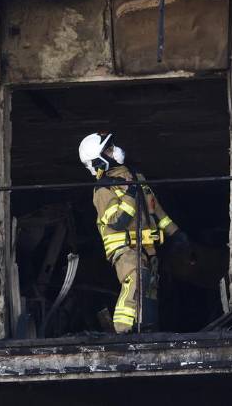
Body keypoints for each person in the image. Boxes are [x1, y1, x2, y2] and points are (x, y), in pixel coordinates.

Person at [78, 132, 189, 333]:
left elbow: (156, 210)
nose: (115, 151)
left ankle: (147, 329)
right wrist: (130, 194)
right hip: (123, 247)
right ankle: (122, 331)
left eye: (113, 146)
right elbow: (118, 221)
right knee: (136, 278)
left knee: (150, 289)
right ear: (99, 160)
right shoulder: (103, 190)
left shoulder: (136, 178)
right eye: (109, 149)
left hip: (147, 246)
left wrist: (176, 233)